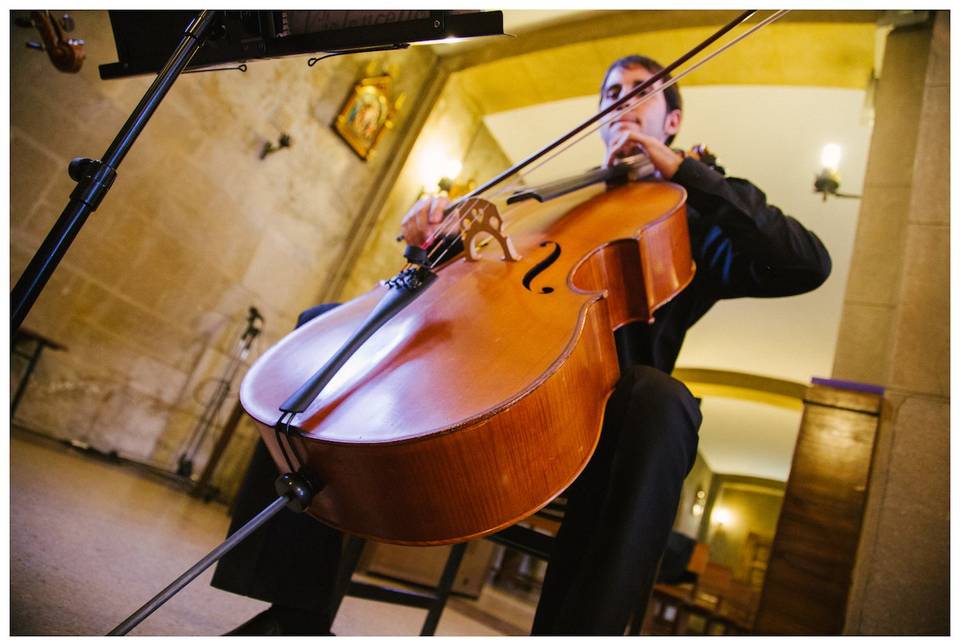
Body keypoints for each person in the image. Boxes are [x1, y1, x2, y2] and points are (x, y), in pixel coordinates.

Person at [212, 54, 831, 635]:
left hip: (597, 411)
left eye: (639, 93)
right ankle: (292, 614)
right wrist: (429, 243)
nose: (620, 103)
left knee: (662, 402)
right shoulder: (555, 194)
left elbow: (806, 263)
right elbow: (477, 279)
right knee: (332, 334)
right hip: (484, 365)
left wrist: (691, 174)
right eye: (610, 94)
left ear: (671, 121)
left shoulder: (690, 212)